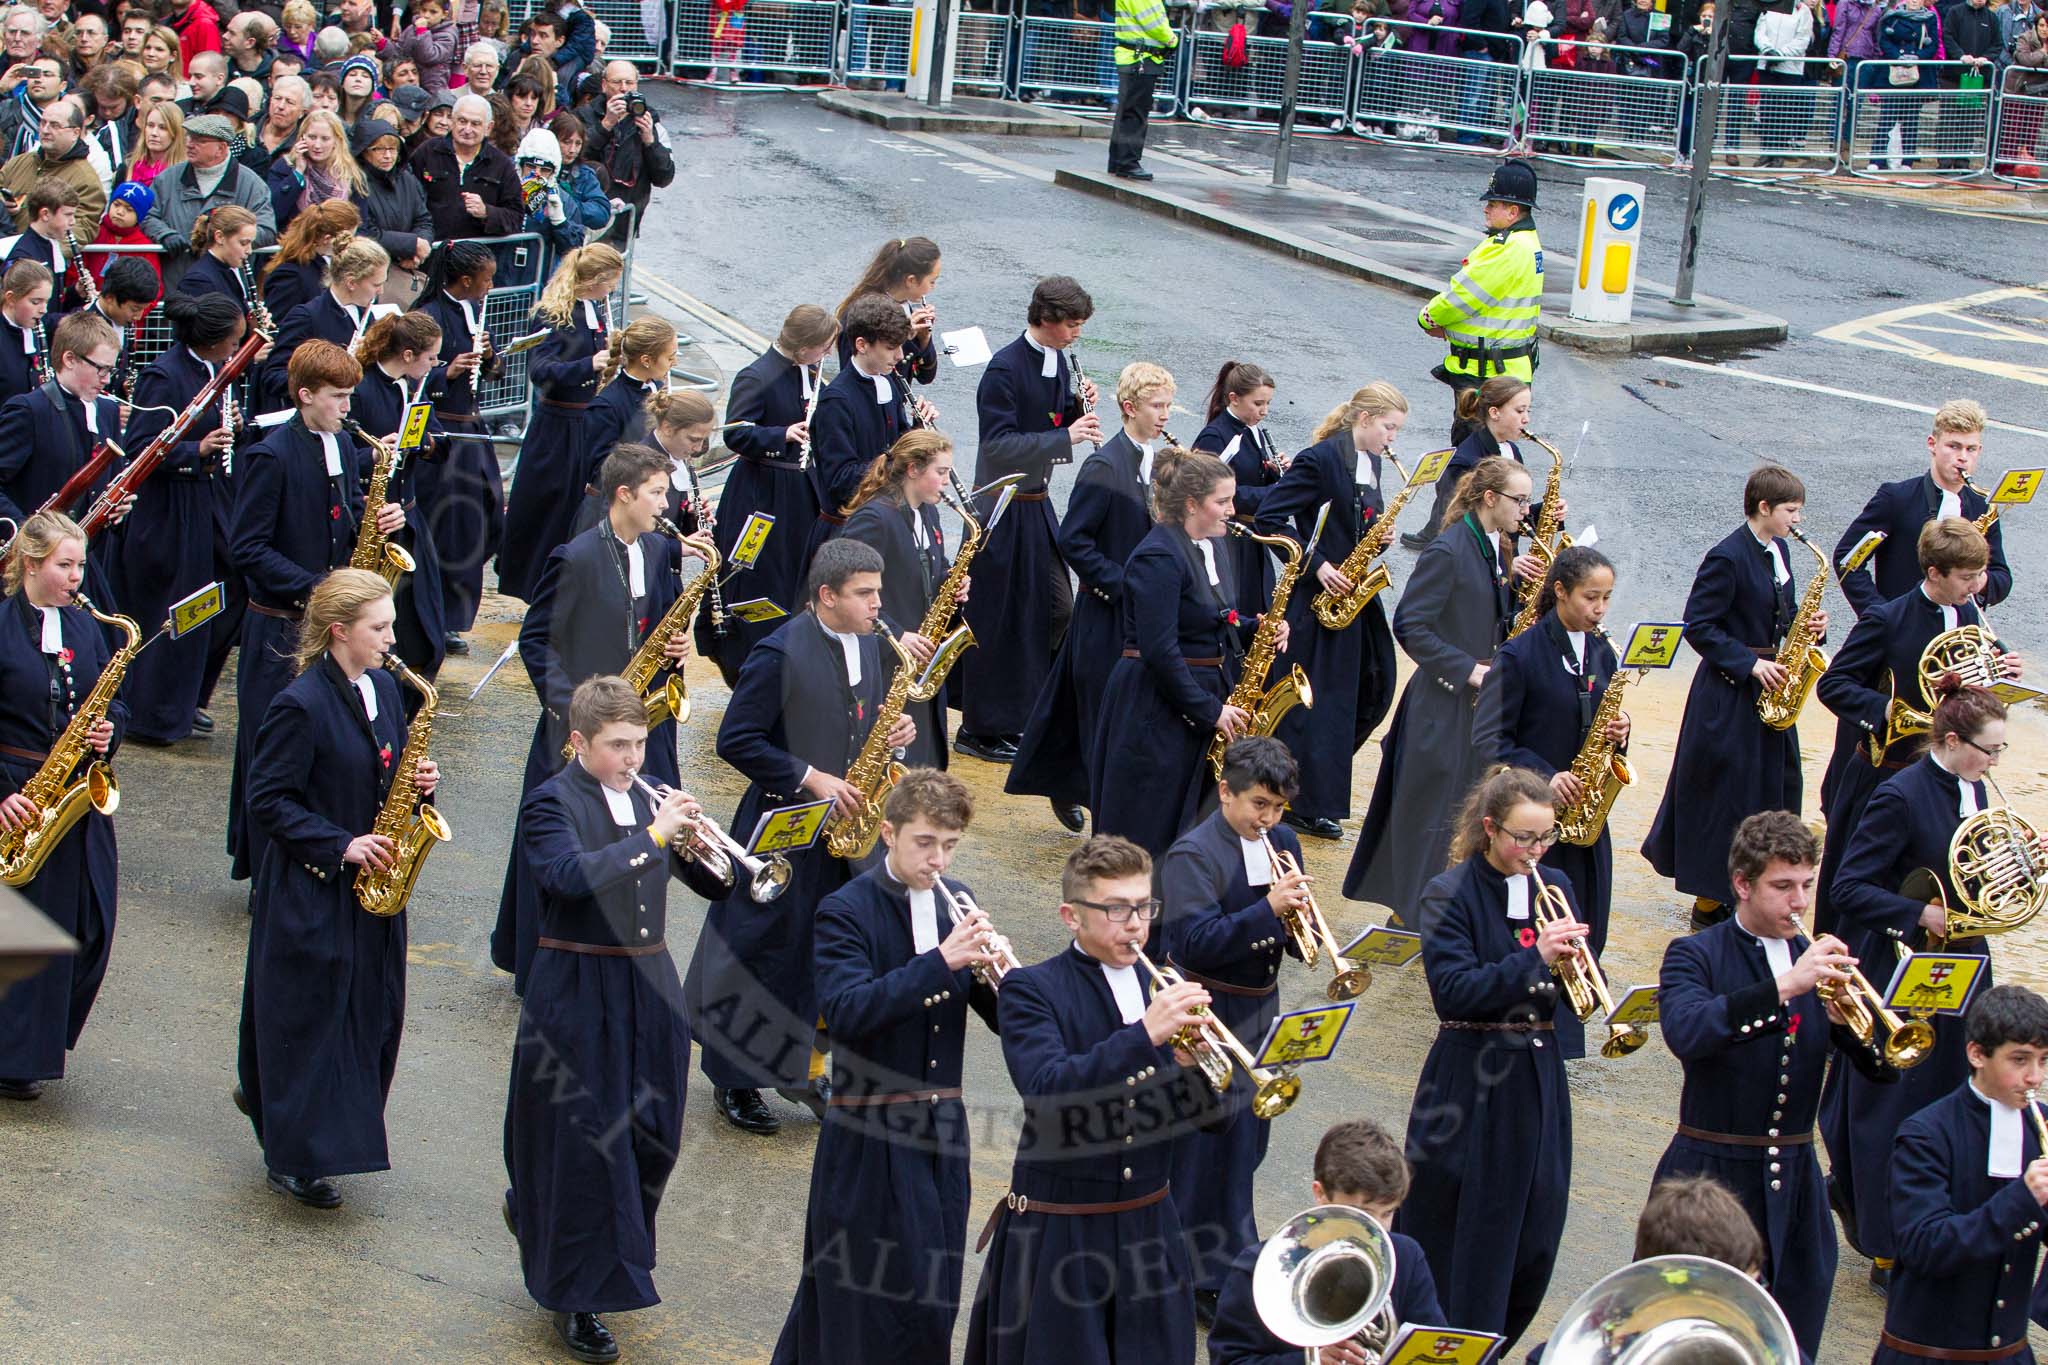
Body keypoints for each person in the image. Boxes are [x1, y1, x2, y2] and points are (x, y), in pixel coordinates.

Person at [502, 673, 701, 1365]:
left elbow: (707, 883)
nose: (634, 758)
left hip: (649, 980)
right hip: (578, 980)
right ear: (579, 740)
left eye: (641, 743)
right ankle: (575, 1293)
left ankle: (546, 1216)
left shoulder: (649, 796)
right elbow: (566, 876)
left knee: (654, 1134)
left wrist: (706, 845)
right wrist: (655, 834)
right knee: (587, 1144)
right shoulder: (551, 801)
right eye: (618, 744)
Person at [683, 537, 913, 1136]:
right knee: (761, 948)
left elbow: (857, 719)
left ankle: (801, 1066)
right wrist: (810, 776)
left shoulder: (872, 646)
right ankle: (734, 1077)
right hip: (784, 825)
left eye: (878, 592)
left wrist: (892, 738)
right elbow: (736, 739)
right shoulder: (778, 651)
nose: (877, 605)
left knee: (827, 949)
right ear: (826, 596)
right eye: (864, 594)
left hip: (846, 827)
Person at [770, 768, 1001, 1364]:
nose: (938, 861)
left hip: (940, 1130)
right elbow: (846, 1012)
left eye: (949, 845)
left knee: (931, 1292)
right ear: (889, 833)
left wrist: (1005, 979)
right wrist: (942, 963)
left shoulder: (959, 901)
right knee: (856, 1293)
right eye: (925, 843)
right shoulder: (845, 910)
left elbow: (1001, 1017)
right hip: (869, 1130)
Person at [963, 834, 1215, 1365]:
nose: (1136, 923)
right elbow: (1047, 1090)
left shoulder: (1165, 987)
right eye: (1116, 909)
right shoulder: (1032, 990)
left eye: (1145, 907)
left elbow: (1208, 1123)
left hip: (1150, 1226)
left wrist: (1197, 1073)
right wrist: (1144, 1036)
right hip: (1064, 1229)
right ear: (1071, 916)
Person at [232, 567, 438, 1209]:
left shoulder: (382, 688)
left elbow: (384, 774)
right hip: (313, 888)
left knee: (367, 1015)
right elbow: (266, 799)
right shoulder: (299, 704)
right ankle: (292, 1154)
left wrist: (421, 784)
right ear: (339, 631)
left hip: (374, 890)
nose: (391, 638)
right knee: (311, 1014)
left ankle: (294, 1113)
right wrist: (340, 844)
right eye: (379, 628)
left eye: (392, 625)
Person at [1655, 811, 1894, 1358]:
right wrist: (1787, 986)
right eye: (1782, 887)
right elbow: (1690, 1031)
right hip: (1710, 1176)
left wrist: (1853, 1031)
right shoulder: (1695, 954)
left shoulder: (1814, 958)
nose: (1800, 902)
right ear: (1742, 884)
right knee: (1700, 1337)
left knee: (1793, 1337)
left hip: (1795, 1180)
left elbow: (1884, 1072)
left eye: (1807, 885)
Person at [1824, 683, 2017, 1293]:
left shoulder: (1976, 786)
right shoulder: (1899, 796)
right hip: (1905, 966)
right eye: (1989, 750)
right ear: (1953, 741)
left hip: (1964, 958)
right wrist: (1918, 916)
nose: (1995, 762)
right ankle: (1885, 1246)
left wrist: (2018, 863)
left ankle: (1939, 1218)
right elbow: (1849, 886)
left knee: (1956, 1090)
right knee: (1895, 1104)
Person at [491, 442, 694, 995]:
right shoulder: (576, 556)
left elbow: (654, 617)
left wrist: (673, 647)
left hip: (634, 716)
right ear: (624, 495)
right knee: (563, 839)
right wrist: (572, 707)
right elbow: (537, 642)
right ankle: (538, 962)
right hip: (577, 724)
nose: (667, 503)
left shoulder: (656, 551)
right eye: (657, 493)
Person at [1400, 766, 1578, 1348]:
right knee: (1463, 1226)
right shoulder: (1448, 893)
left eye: (1545, 838)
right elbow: (1452, 992)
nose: (1535, 851)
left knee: (1536, 1222)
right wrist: (1536, 963)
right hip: (1470, 1072)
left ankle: (1497, 1340)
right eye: (1523, 838)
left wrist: (1576, 967)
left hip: (1537, 1072)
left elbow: (1566, 984)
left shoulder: (1555, 887)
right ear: (1489, 828)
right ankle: (1442, 1342)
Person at [227, 342, 398, 883]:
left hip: (327, 624)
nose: (349, 407)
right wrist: (321, 589)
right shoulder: (271, 455)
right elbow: (247, 548)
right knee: (270, 751)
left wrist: (387, 521)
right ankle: (267, 875)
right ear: (305, 396)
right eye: (339, 397)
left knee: (323, 750)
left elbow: (343, 525)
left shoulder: (346, 447)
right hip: (278, 623)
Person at [1160, 736, 1312, 1318]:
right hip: (1209, 1011)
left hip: (1260, 1009)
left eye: (1277, 808)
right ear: (1225, 791)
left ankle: (1225, 1258)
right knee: (1205, 1146)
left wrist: (1298, 924)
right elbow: (1192, 941)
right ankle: (1199, 1270)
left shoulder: (1284, 842)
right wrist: (1267, 911)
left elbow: (1285, 941)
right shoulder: (1193, 855)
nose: (1268, 820)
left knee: (1248, 1140)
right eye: (1258, 805)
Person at [1344, 456, 1524, 923]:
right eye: (1519, 500)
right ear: (1489, 498)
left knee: (1464, 809)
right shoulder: (1449, 550)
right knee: (1433, 816)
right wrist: (1469, 669)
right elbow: (1411, 624)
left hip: (1472, 707)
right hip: (1440, 708)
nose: (1526, 508)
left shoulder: (1492, 544)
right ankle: (1413, 915)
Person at [1641, 465, 1818, 932]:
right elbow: (1699, 626)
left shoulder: (1777, 550)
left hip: (1770, 692)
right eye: (1791, 511)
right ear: (1764, 507)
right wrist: (1749, 663)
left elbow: (1779, 612)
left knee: (1775, 787)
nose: (1797, 521)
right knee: (1726, 797)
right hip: (1730, 694)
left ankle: (1756, 885)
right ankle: (1709, 902)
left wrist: (1806, 627)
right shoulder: (1727, 556)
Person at [1814, 518, 2010, 936]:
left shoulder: (1970, 615)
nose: (1976, 586)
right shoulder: (1887, 619)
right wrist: (1887, 710)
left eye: (1979, 575)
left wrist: (1997, 675)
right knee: (1863, 901)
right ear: (1934, 573)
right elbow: (1834, 685)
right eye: (1967, 577)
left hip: (1948, 769)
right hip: (1886, 774)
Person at [1006, 359, 1169, 834]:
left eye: (1165, 406)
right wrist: (1122, 585)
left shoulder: (1153, 462)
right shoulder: (1104, 464)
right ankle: (1099, 809)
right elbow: (1076, 540)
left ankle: (1080, 788)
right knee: (1099, 713)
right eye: (1156, 406)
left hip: (1136, 611)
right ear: (1129, 407)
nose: (1164, 415)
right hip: (1106, 612)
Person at [0, 510, 125, 1102]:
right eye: (65, 566)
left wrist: (109, 733)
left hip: (71, 790)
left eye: (81, 564)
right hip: (16, 789)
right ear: (31, 564)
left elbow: (112, 704)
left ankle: (34, 1043)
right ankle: (15, 1056)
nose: (78, 577)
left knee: (87, 922)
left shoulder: (85, 627)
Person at [1471, 544, 1627, 1010]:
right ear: (1559, 592)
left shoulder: (1603, 652)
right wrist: (1544, 777)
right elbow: (1488, 738)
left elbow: (1599, 723)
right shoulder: (1520, 655)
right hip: (1531, 817)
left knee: (1587, 915)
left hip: (1585, 815)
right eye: (1590, 598)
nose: (1599, 609)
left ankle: (1573, 1002)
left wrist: (1621, 732)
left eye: (1606, 598)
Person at [1092, 446, 1267, 861]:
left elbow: (1216, 617)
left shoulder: (1215, 545)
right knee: (1146, 826)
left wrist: (1258, 627)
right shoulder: (1158, 555)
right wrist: (1210, 710)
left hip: (1198, 692)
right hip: (1154, 706)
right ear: (1191, 504)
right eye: (1222, 502)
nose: (1232, 510)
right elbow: (1160, 650)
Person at [1255, 381, 1409, 841]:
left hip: (1355, 595)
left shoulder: (1372, 461)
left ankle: (1318, 787)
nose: (1392, 438)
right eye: (1388, 427)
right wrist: (1316, 566)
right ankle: (1303, 800)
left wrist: (1378, 536)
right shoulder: (1319, 459)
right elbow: (1270, 518)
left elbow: (1356, 517)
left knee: (1370, 691)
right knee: (1318, 706)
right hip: (1316, 598)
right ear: (1364, 420)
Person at [957, 275, 1101, 763]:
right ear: (1045, 319)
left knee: (1054, 610)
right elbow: (997, 445)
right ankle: (980, 726)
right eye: (1072, 324)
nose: (1077, 333)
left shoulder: (1058, 360)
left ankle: (1022, 714)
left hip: (1035, 504)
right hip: (999, 507)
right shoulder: (1003, 369)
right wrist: (1068, 438)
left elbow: (1050, 417)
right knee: (997, 621)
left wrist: (1076, 408)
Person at [1874, 984, 2048, 1363]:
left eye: (2042, 1060)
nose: (2034, 1077)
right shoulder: (1925, 1134)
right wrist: (2024, 1197)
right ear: (1977, 1054)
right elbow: (1925, 1245)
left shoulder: (2042, 1126)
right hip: (1929, 1354)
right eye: (2020, 1060)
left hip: (2010, 1354)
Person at [104, 291, 245, 747]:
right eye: (232, 340)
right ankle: (154, 712)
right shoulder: (163, 376)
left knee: (219, 596)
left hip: (207, 501)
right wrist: (195, 451)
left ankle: (188, 700)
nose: (236, 347)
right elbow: (142, 447)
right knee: (170, 606)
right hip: (167, 509)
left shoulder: (214, 371)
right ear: (210, 341)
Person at [1207, 1117, 1448, 1362]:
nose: (1377, 1230)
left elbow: (1430, 1345)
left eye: (1387, 1213)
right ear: (1320, 1193)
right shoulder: (1261, 1267)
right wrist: (1311, 1361)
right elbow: (1229, 1359)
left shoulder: (1406, 1257)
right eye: (1363, 1214)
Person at [1405, 158, 1541, 550]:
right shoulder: (1521, 242)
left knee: (1471, 456)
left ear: (1513, 211)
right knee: (1491, 453)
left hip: (1485, 372)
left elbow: (1463, 296)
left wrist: (1427, 316)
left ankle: (1451, 529)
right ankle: (1467, 525)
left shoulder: (1506, 250)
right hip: (1503, 366)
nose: (1486, 208)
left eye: (1494, 203)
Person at [705, 303, 838, 686]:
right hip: (762, 496)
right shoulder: (756, 375)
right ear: (802, 347)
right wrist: (780, 435)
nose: (826, 356)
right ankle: (745, 660)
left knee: (797, 578)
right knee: (759, 578)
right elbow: (735, 431)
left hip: (801, 495)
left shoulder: (809, 375)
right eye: (823, 347)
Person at [495, 241, 620, 602]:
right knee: (549, 510)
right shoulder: (553, 314)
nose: (612, 289)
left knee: (577, 511)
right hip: (558, 425)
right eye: (609, 281)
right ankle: (536, 588)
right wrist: (589, 365)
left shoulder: (593, 309)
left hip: (587, 421)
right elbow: (541, 370)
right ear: (594, 279)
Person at [838, 428, 965, 770]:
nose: (947, 482)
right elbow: (844, 588)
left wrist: (951, 583)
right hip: (884, 660)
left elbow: (925, 570)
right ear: (913, 470)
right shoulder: (874, 519)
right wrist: (894, 634)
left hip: (916, 663)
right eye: (941, 472)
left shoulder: (928, 513)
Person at [1833, 399, 2012, 618]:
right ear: (1932, 444)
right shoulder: (1897, 497)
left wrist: (1976, 579)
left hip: (1959, 631)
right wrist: (1880, 615)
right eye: (1953, 446)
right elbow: (1847, 559)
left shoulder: (1982, 505)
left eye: (1970, 449)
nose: (1962, 457)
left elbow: (2001, 577)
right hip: (1902, 628)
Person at [349, 310, 449, 682]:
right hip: (375, 521)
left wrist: (423, 444)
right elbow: (343, 456)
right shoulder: (362, 390)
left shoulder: (410, 387)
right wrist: (374, 453)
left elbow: (435, 439)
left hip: (408, 516)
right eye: (430, 357)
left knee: (426, 623)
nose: (435, 365)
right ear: (408, 355)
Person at [412, 237, 498, 649]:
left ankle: (456, 611)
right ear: (465, 279)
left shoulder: (474, 311)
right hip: (444, 432)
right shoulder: (428, 315)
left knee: (479, 520)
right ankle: (438, 615)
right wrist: (444, 374)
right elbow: (412, 375)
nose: (490, 287)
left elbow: (494, 370)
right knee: (446, 526)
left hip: (472, 429)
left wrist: (489, 358)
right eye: (485, 279)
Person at [0, 312, 127, 582]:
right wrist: (30, 533)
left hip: (85, 563)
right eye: (100, 369)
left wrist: (117, 509)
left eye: (111, 370)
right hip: (33, 565)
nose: (106, 379)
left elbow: (111, 481)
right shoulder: (28, 410)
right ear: (69, 359)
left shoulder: (107, 411)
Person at [801, 292, 908, 567]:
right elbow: (840, 479)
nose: (900, 356)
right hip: (847, 533)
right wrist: (899, 464)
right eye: (891, 347)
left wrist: (918, 436)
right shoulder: (837, 400)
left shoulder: (889, 383)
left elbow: (899, 441)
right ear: (861, 345)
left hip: (883, 523)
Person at [562, 314, 681, 534]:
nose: (675, 363)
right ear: (646, 360)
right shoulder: (607, 406)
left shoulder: (654, 386)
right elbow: (601, 470)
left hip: (649, 500)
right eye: (670, 357)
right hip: (616, 516)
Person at [139, 111, 277, 293]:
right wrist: (164, 234)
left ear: (221, 148)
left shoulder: (251, 185)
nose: (189, 144)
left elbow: (267, 231)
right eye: (189, 138)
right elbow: (147, 215)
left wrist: (226, 239)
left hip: (225, 294)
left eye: (200, 140)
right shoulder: (167, 179)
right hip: (176, 290)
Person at [254, 235, 389, 413]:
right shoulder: (306, 317)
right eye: (376, 284)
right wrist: (334, 368)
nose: (381, 291)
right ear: (351, 282)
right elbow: (274, 377)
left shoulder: (365, 311)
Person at [1192, 359, 1281, 625]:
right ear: (1234, 398)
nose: (1264, 411)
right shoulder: (1215, 436)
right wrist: (1275, 494)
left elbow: (1251, 471)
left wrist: (1274, 471)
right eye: (1258, 403)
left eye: (1267, 403)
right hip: (1230, 539)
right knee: (1241, 614)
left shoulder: (1252, 430)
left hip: (1252, 536)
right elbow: (1213, 493)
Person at [1417, 375, 1532, 547]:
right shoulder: (1465, 461)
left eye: (1528, 411)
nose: (1526, 419)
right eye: (1519, 411)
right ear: (1494, 412)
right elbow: (1452, 524)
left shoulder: (1512, 450)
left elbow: (1511, 509)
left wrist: (1547, 513)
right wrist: (1498, 563)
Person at [411, 92, 526, 244]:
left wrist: (487, 212)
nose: (467, 129)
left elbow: (516, 218)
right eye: (462, 121)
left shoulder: (501, 165)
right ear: (452, 121)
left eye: (475, 124)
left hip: (478, 258)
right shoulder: (427, 152)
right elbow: (408, 201)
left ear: (488, 127)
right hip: (431, 250)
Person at [832, 234, 941, 391]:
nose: (933, 287)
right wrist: (905, 336)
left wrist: (924, 339)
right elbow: (853, 375)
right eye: (932, 281)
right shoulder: (859, 315)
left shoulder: (906, 308)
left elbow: (926, 376)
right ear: (911, 280)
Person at [578, 60, 670, 242]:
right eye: (617, 82)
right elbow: (574, 156)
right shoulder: (584, 115)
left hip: (625, 224)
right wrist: (605, 125)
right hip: (587, 219)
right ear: (604, 85)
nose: (623, 89)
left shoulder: (650, 119)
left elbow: (664, 177)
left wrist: (650, 142)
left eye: (629, 83)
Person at [258, 198, 358, 340]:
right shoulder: (290, 275)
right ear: (327, 239)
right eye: (348, 239)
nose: (351, 244)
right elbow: (280, 328)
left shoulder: (323, 264)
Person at [0, 95, 106, 229]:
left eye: (55, 125)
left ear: (75, 133)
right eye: (43, 123)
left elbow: (82, 228)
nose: (45, 130)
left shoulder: (86, 180)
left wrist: (44, 247)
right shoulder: (19, 162)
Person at [352, 119, 431, 274]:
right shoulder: (355, 184)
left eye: (392, 149)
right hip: (368, 269)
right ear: (364, 151)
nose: (387, 156)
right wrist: (411, 244)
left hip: (408, 266)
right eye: (378, 149)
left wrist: (419, 248)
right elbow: (364, 231)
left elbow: (423, 219)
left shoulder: (407, 179)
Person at [1108, 0, 1176, 179]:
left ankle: (1117, 161)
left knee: (1126, 111)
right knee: (1135, 113)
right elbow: (1152, 22)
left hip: (1134, 57)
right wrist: (1172, 39)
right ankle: (1128, 163)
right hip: (1140, 58)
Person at [173, 202, 261, 321]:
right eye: (243, 243)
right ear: (219, 237)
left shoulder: (230, 270)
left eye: (251, 243)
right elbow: (200, 335)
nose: (249, 251)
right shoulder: (198, 281)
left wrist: (253, 325)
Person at [0, 257, 50, 403]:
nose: (44, 310)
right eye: (36, 302)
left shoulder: (36, 329)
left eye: (47, 301)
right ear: (11, 298)